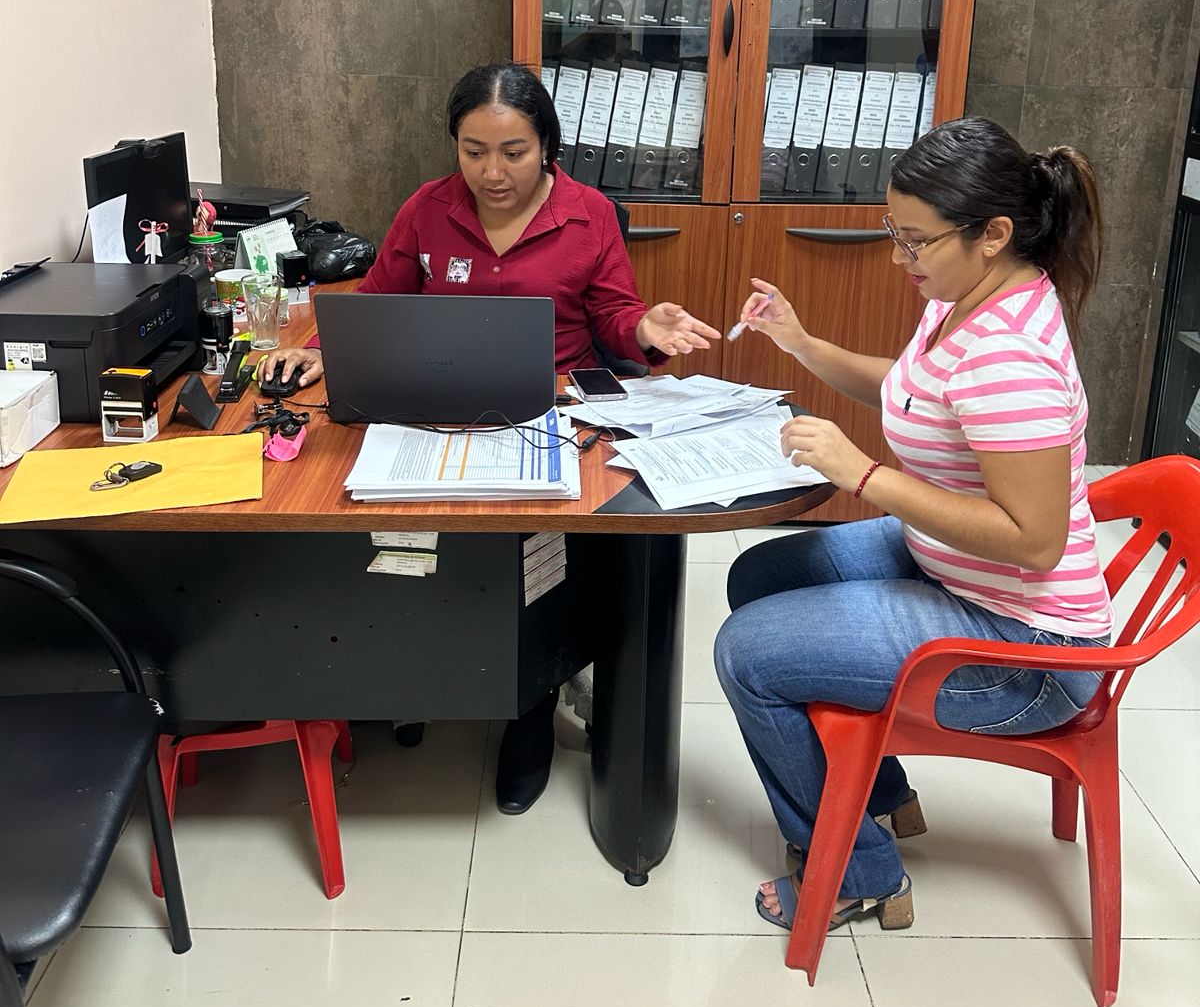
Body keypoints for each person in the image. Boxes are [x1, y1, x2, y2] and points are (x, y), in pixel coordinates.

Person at [266, 62, 719, 813]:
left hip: (547, 414)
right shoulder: (426, 209)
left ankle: (528, 709)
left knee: (531, 556)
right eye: (474, 151)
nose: (492, 172)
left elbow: (613, 317)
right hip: (433, 408)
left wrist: (642, 326)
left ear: (547, 146)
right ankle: (423, 675)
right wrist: (322, 351)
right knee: (387, 532)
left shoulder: (588, 215)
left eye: (513, 152)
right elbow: (377, 303)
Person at [713, 116, 1110, 936]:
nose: (901, 259)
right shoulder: (965, 295)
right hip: (958, 572)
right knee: (759, 576)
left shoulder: (1009, 357)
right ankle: (881, 792)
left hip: (1025, 651)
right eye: (896, 233)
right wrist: (800, 342)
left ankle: (861, 873)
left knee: (746, 653)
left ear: (992, 234)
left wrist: (863, 475)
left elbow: (1035, 540)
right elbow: (914, 388)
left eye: (916, 241)